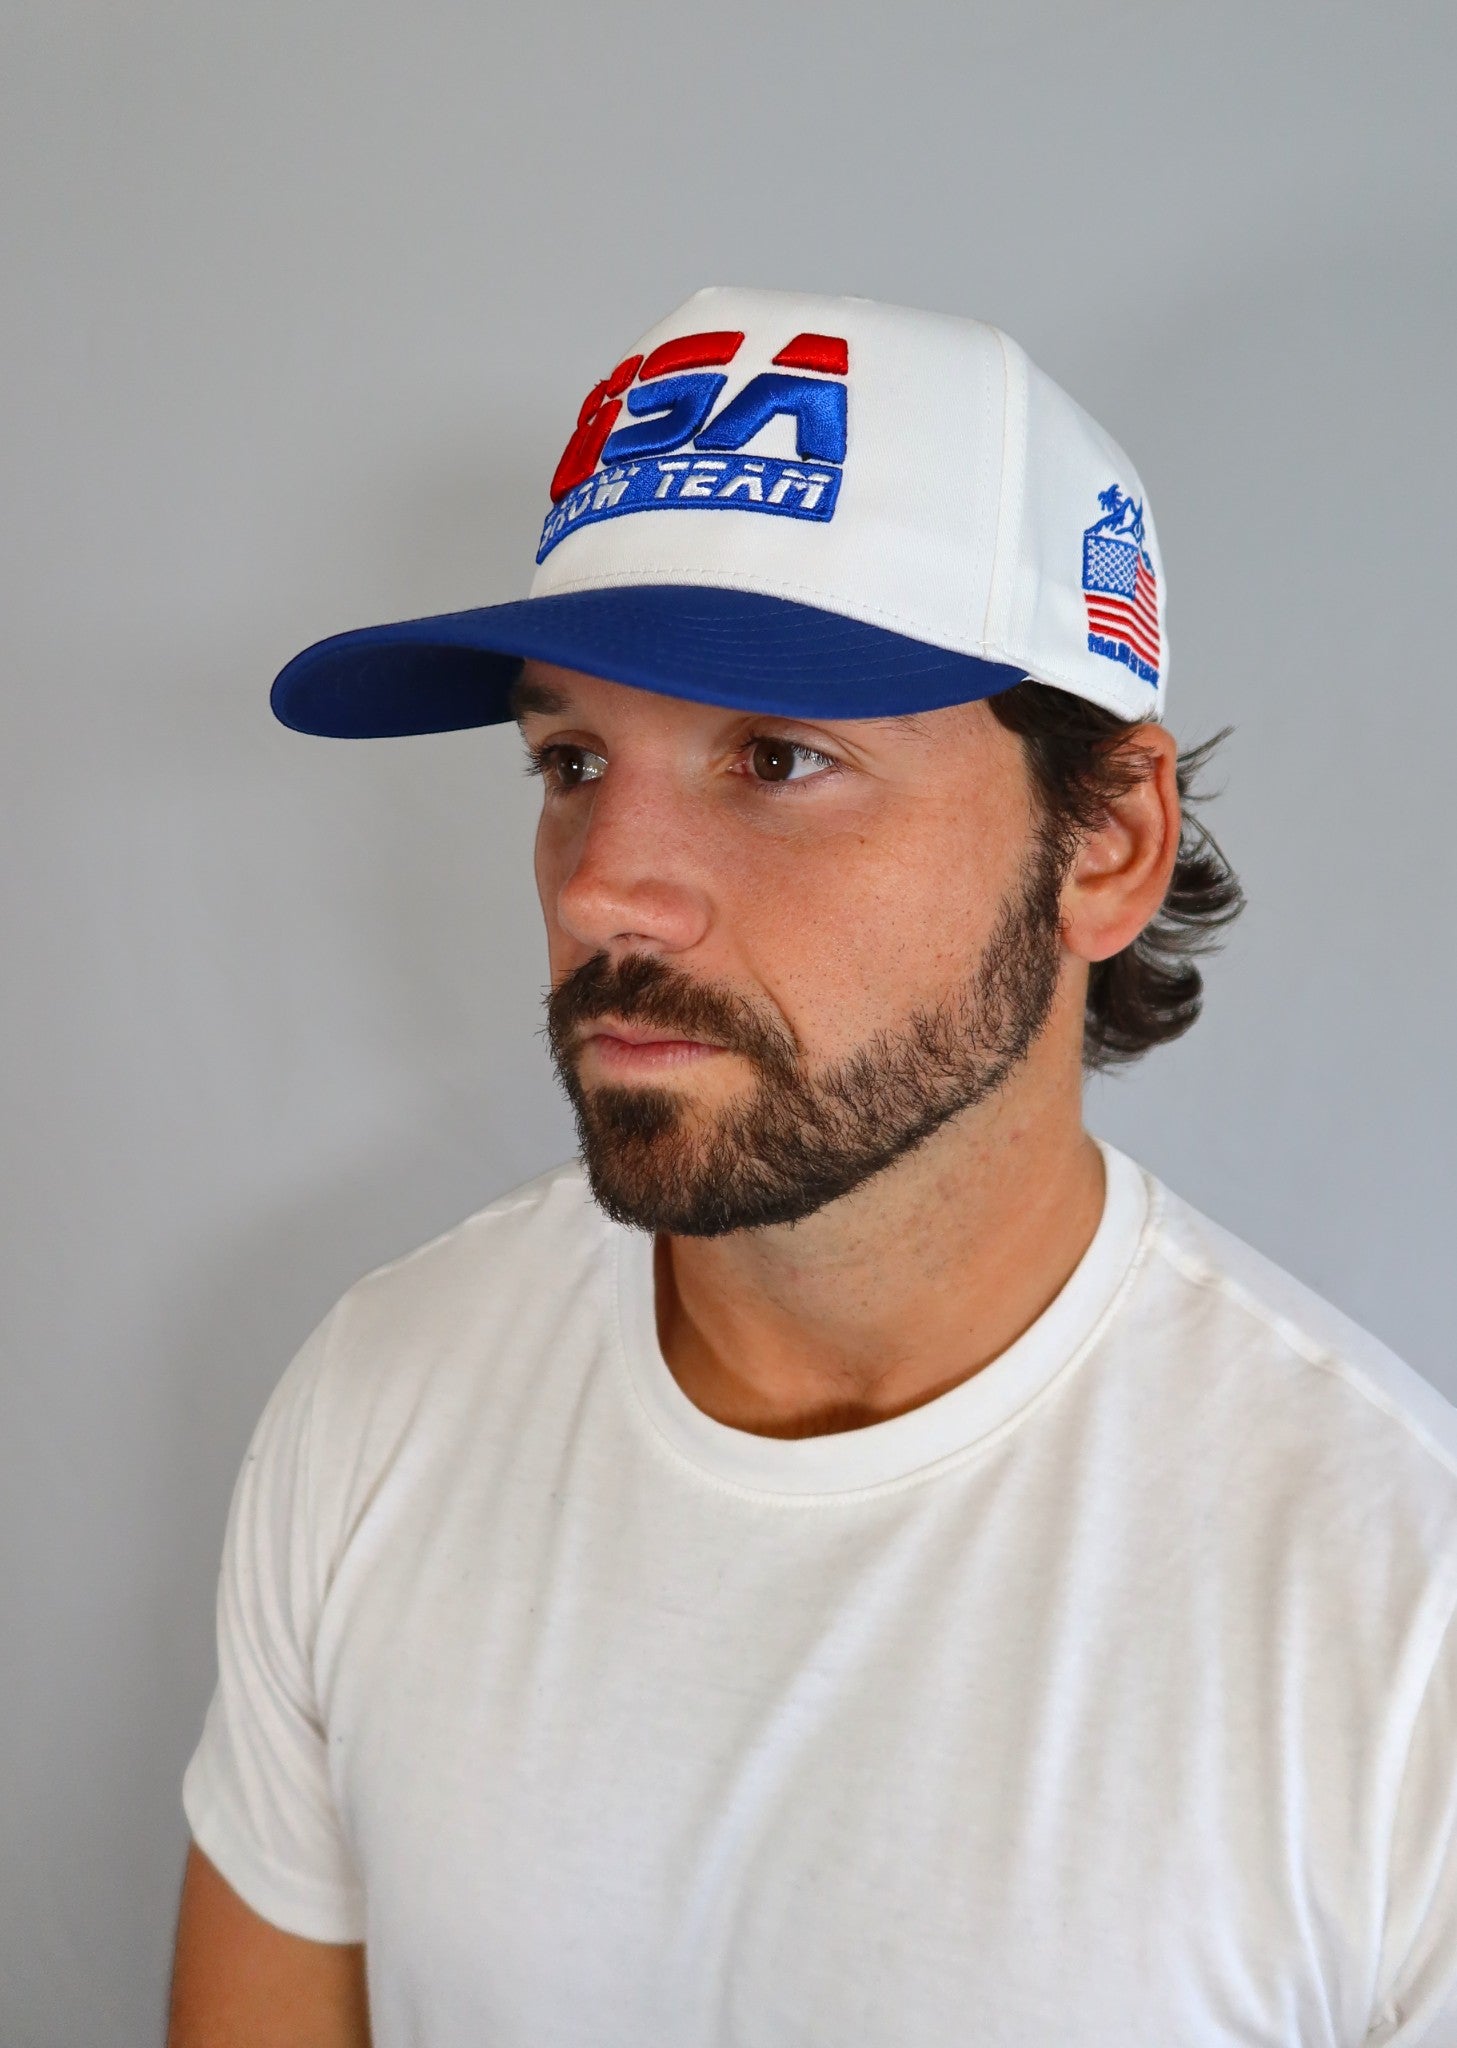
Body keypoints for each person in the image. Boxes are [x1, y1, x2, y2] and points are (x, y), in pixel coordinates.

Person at [167, 288, 1457, 2048]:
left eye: (777, 759)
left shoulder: (1396, 1617)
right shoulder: (384, 1398)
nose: (602, 886)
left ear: (1105, 842)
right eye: (569, 760)